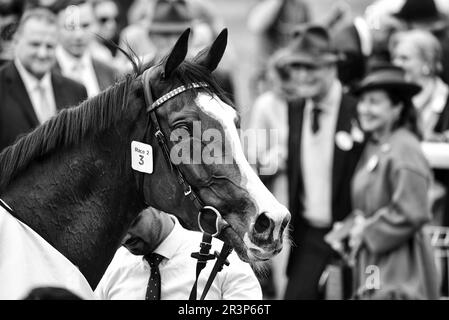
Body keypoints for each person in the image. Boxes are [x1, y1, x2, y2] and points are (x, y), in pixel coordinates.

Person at [334, 64, 440, 299]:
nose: (364, 109)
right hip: (375, 260)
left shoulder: (405, 148)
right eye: (362, 101)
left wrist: (366, 230)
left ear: (397, 108)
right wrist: (349, 230)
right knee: (371, 293)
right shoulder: (377, 145)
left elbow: (412, 211)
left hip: (402, 262)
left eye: (374, 102)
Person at [277, 24, 364, 299]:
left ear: (332, 66)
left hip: (351, 236)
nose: (301, 75)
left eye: (310, 67)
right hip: (308, 237)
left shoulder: (359, 110)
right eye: (296, 67)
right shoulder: (295, 108)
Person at [95, 208, 263, 300]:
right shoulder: (110, 268)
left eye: (133, 223)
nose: (124, 237)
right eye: (117, 228)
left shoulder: (227, 262)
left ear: (158, 206)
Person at [0, 7, 87, 151]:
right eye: (35, 44)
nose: (42, 53)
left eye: (50, 46)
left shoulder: (76, 90)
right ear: (16, 41)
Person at [390, 29, 449, 226]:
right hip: (397, 200)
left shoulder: (446, 100)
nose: (397, 64)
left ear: (427, 62)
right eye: (395, 57)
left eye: (405, 58)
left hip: (438, 211)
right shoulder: (394, 102)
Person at [54, 0, 118, 97]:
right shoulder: (45, 71)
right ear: (56, 28)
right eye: (70, 27)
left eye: (85, 25)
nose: (78, 35)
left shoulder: (108, 71)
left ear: (95, 25)